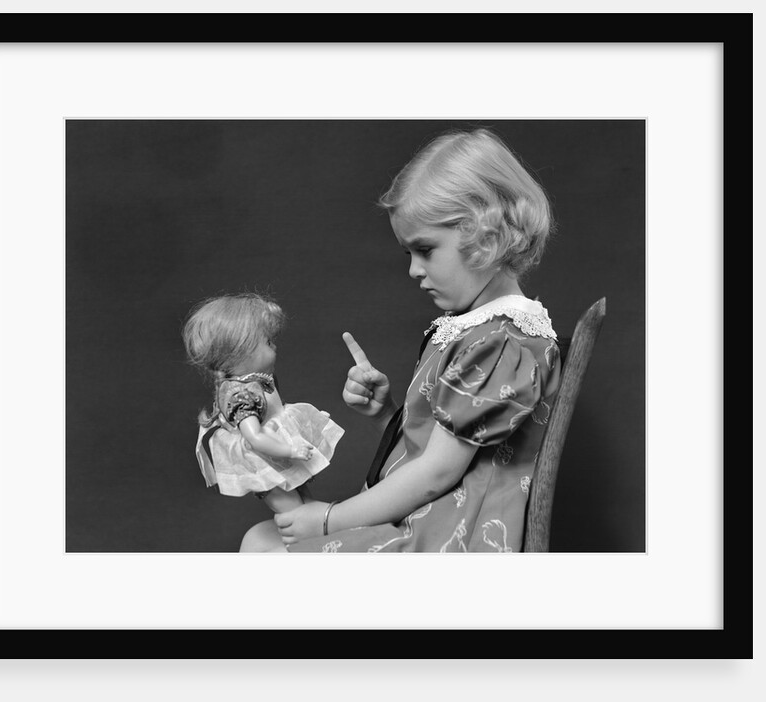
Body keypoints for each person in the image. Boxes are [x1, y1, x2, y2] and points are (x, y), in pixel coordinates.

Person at [240, 127, 562, 552]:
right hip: (432, 517)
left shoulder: (499, 342)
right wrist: (387, 414)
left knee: (264, 546)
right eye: (408, 254)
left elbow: (437, 473)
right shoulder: (478, 329)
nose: (413, 270)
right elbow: (442, 449)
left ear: (486, 235)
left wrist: (329, 518)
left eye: (425, 250)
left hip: (451, 538)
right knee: (262, 539)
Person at [183, 292, 344, 514]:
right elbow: (255, 438)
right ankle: (300, 539)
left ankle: (317, 530)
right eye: (268, 342)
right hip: (264, 459)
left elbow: (276, 414)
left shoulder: (255, 382)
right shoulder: (241, 395)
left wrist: (308, 422)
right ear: (239, 353)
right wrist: (291, 450)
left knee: (302, 497)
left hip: (274, 452)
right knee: (292, 510)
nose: (274, 347)